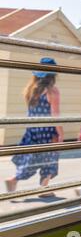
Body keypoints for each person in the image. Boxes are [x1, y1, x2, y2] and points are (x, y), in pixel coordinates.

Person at [4, 57, 63, 197]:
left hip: (32, 130)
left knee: (32, 158)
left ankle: (35, 185)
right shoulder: (52, 91)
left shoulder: (31, 90)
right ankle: (39, 187)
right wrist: (60, 133)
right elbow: (56, 116)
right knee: (51, 159)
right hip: (48, 131)